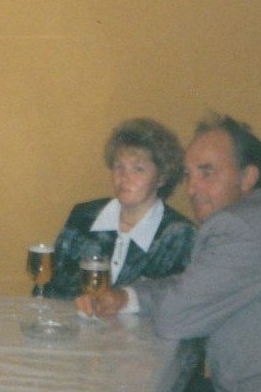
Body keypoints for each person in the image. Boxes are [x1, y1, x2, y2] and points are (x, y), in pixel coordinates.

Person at [88, 115, 261, 392]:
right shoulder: (259, 216)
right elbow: (192, 284)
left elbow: (175, 317)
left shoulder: (240, 229)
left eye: (207, 172)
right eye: (189, 175)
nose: (192, 188)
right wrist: (128, 296)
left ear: (247, 177)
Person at [44, 118, 195, 299]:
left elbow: (177, 304)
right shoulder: (83, 217)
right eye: (118, 166)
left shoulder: (180, 235)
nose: (124, 177)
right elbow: (49, 289)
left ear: (161, 177)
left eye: (138, 169)